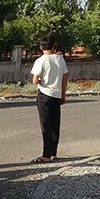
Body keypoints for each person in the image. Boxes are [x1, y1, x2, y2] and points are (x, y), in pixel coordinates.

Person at [30, 34, 68, 163]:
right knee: (55, 124)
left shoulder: (41, 60)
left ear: (41, 47)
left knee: (45, 125)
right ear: (53, 46)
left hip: (45, 94)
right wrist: (63, 94)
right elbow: (64, 78)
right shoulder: (60, 59)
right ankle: (53, 153)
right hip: (57, 94)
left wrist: (42, 81)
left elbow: (35, 80)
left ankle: (46, 155)